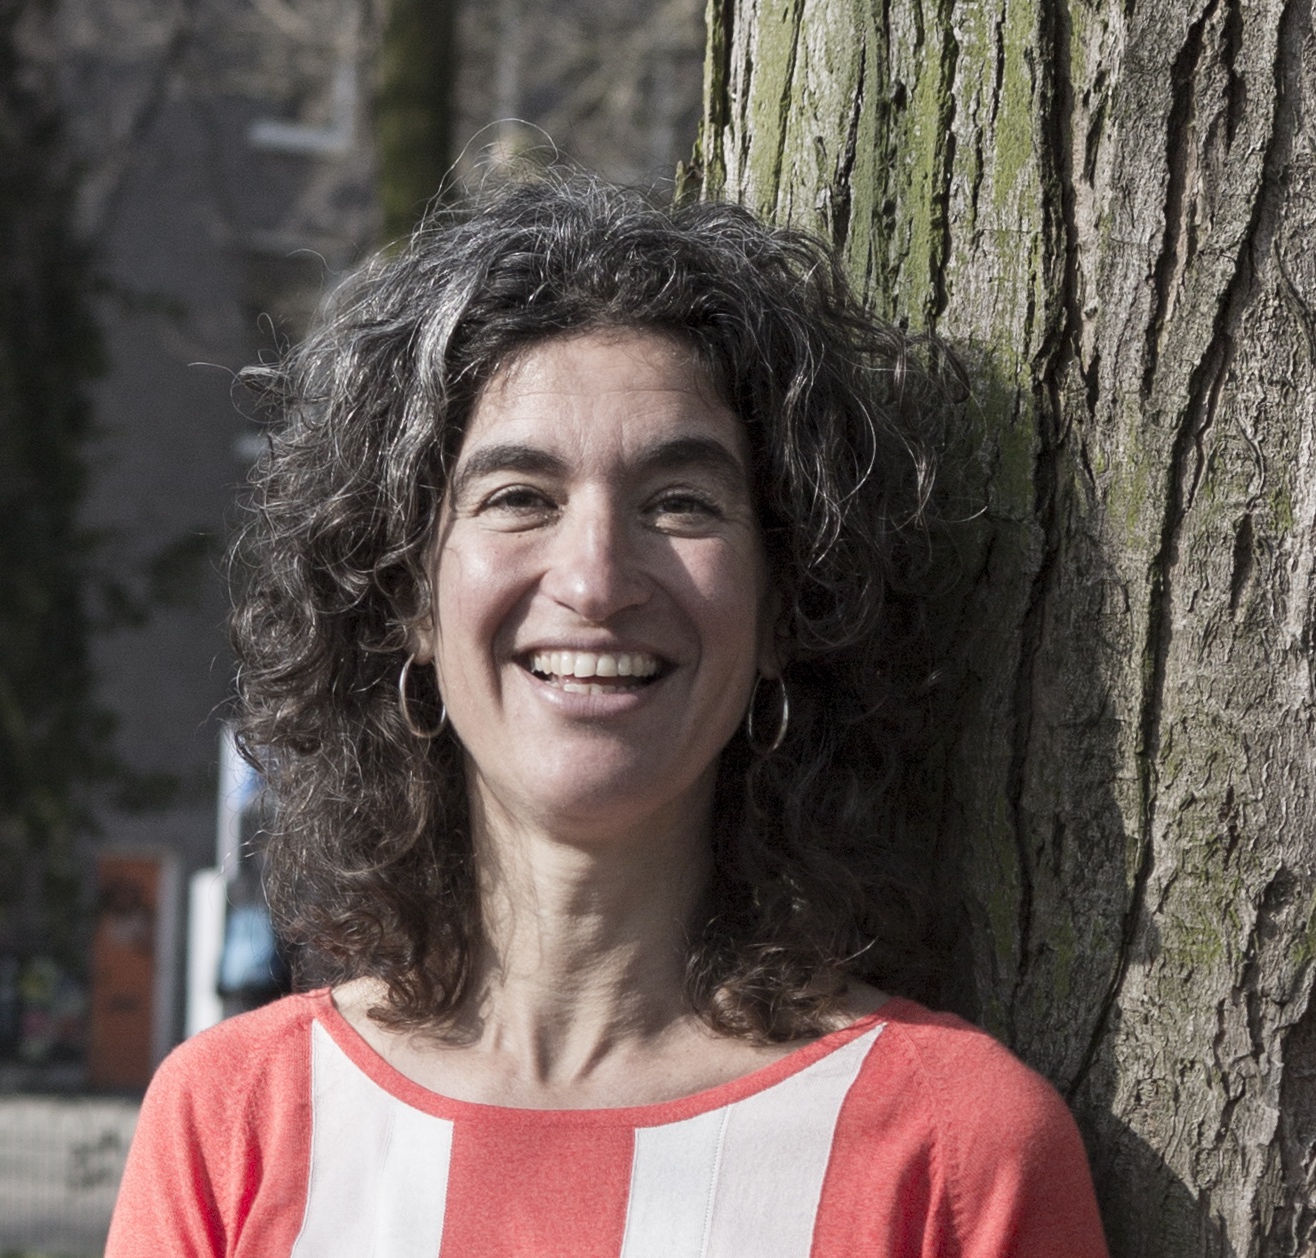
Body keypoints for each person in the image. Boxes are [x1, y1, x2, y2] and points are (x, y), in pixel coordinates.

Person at [107, 177, 1109, 1257]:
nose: (594, 580)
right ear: (409, 598)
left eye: (680, 502)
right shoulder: (232, 1126)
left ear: (786, 603)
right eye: (518, 498)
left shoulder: (954, 1152)